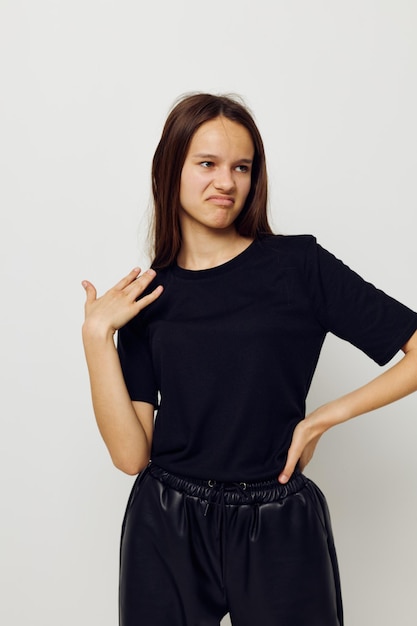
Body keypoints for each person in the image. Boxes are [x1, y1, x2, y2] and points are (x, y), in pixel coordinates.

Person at [81, 93, 417, 626]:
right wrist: (96, 336)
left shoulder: (298, 265)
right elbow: (130, 456)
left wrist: (322, 419)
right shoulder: (146, 298)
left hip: (277, 518)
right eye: (207, 164)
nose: (227, 182)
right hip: (166, 521)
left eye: (242, 167)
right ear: (171, 170)